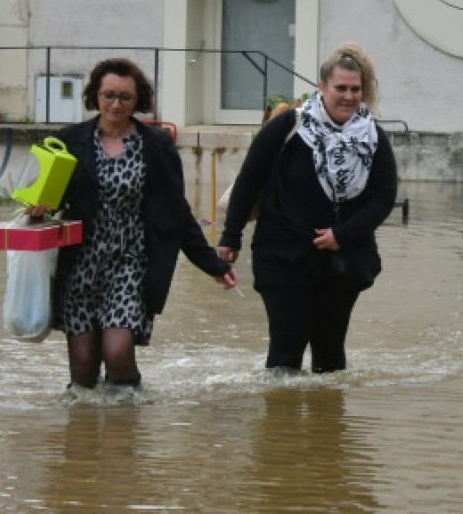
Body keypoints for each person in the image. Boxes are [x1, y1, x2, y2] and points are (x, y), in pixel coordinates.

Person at [35, 57, 238, 389]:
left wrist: (212, 263)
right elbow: (47, 198)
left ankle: (126, 425)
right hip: (80, 265)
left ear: (137, 100)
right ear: (95, 96)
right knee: (83, 368)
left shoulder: (155, 145)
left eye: (125, 97)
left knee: (117, 354)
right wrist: (37, 210)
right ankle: (82, 434)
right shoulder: (70, 140)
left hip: (131, 264)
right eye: (109, 95)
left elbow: (178, 213)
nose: (116, 104)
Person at [218, 43, 398, 373]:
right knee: (287, 348)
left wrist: (342, 235)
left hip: (342, 259)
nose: (348, 96)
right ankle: (279, 423)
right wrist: (230, 238)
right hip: (283, 253)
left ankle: (326, 423)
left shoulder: (372, 137)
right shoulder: (288, 126)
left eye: (355, 89)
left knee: (330, 354)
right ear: (322, 87)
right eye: (340, 88)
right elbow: (249, 180)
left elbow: (384, 197)